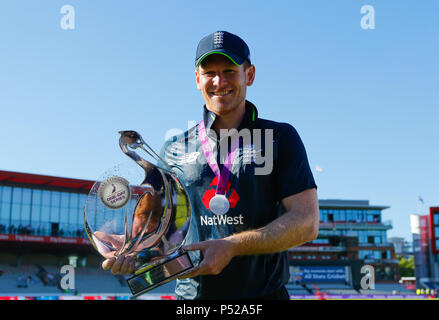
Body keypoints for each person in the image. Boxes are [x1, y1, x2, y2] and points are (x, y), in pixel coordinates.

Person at [102, 30, 319, 300]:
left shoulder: (279, 137)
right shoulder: (174, 148)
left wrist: (232, 246)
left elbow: (307, 222)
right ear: (197, 79)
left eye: (229, 70)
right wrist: (131, 246)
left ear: (249, 75)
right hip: (192, 299)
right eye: (209, 73)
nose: (219, 81)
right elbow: (154, 221)